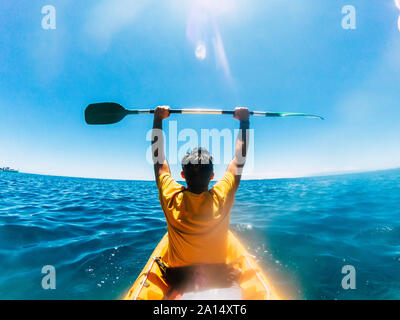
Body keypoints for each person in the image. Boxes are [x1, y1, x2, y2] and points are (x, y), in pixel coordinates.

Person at [151, 105, 250, 291]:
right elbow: (239, 159)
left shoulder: (170, 196)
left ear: (182, 174)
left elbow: (159, 161)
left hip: (179, 281)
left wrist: (157, 119)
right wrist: (245, 122)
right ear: (212, 176)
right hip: (219, 276)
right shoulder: (223, 194)